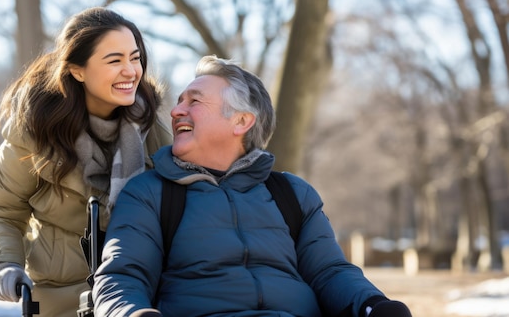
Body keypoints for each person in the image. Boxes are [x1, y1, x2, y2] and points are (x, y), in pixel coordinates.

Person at [92, 55, 413, 317]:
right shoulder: (150, 193)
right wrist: (132, 313)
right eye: (179, 102)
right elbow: (122, 277)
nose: (176, 111)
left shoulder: (292, 195)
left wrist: (375, 305)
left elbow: (330, 272)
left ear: (242, 121)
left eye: (194, 101)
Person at [0, 7, 172, 317]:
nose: (131, 71)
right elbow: (2, 210)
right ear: (77, 70)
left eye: (135, 58)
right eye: (115, 60)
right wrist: (6, 264)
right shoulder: (35, 131)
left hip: (139, 296)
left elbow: (181, 207)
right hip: (62, 297)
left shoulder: (153, 130)